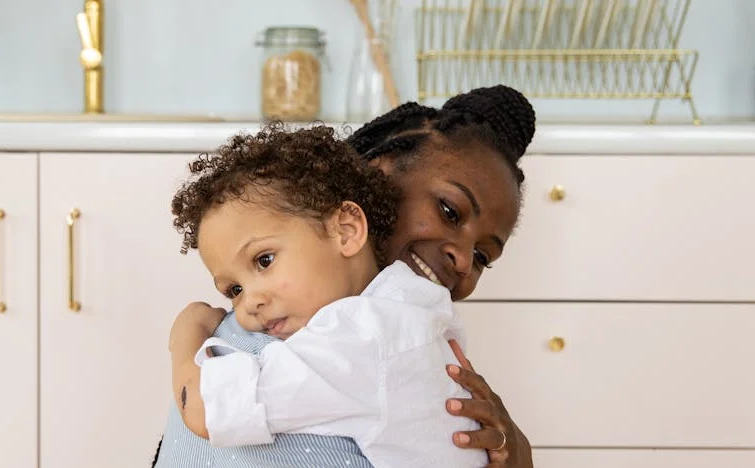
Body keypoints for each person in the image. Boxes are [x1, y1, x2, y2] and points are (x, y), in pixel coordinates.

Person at [153, 84, 536, 468]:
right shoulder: (376, 318)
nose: (464, 260)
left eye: (483, 256)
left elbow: (205, 410)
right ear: (380, 169)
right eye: (449, 211)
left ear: (349, 228)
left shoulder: (370, 330)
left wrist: (187, 332)